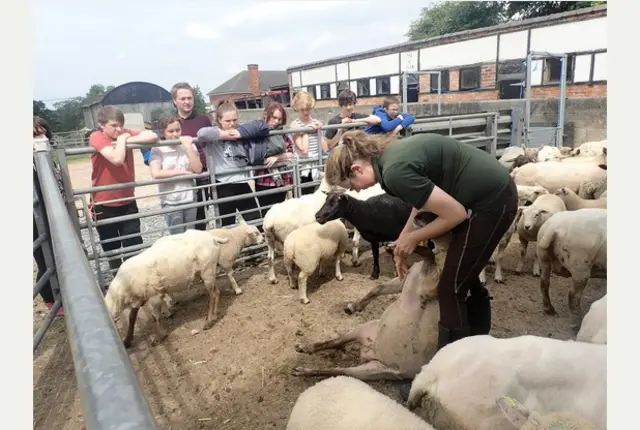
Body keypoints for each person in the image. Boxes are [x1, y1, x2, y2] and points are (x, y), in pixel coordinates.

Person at [323, 130, 518, 401]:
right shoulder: (389, 162)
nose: (356, 191)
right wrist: (405, 235)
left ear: (356, 168)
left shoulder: (394, 171)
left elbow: (455, 213)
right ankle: (478, 347)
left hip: (491, 203)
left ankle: (451, 378)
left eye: (351, 185)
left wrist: (414, 237)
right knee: (464, 274)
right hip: (484, 196)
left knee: (452, 288)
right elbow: (422, 201)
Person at [88, 106, 159, 276]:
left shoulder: (122, 133)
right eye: (113, 125)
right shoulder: (96, 136)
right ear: (101, 124)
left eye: (121, 125)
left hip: (127, 200)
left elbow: (153, 136)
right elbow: (116, 159)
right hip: (104, 202)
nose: (118, 129)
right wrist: (123, 139)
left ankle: (135, 280)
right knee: (111, 247)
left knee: (133, 244)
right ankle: (118, 280)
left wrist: (124, 137)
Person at [196, 100, 266, 227]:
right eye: (228, 121)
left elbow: (262, 126)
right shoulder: (213, 134)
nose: (232, 124)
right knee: (228, 224)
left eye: (235, 120)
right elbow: (201, 134)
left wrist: (240, 133)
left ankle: (258, 246)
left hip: (242, 182)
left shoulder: (240, 129)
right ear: (219, 120)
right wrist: (225, 135)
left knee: (256, 221)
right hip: (223, 184)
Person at [149, 113, 203, 235]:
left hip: (189, 197)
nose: (175, 134)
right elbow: (156, 173)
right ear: (163, 132)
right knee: (177, 237)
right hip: (171, 201)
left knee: (190, 234)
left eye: (178, 130)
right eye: (170, 131)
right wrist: (181, 172)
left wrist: (188, 147)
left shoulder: (189, 144)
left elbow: (198, 168)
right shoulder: (158, 149)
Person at [170, 82, 214, 230]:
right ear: (174, 100)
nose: (187, 101)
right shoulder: (171, 123)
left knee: (200, 217)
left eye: (190, 98)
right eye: (183, 99)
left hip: (202, 176)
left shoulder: (203, 119)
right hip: (182, 177)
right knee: (180, 220)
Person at [33, 116, 64, 316]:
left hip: (53, 213)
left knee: (57, 253)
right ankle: (50, 299)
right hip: (35, 218)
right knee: (43, 257)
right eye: (35, 134)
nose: (41, 137)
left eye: (43, 132)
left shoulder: (48, 157)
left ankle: (60, 292)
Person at [253, 102, 296, 217]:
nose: (276, 121)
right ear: (266, 115)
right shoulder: (257, 132)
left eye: (279, 119)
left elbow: (291, 153)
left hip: (280, 180)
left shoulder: (281, 133)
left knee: (279, 214)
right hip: (263, 179)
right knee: (266, 214)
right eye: (274, 118)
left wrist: (276, 157)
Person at [289, 91, 327, 195]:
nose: (306, 112)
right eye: (302, 110)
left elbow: (325, 148)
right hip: (303, 169)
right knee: (304, 197)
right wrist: (307, 130)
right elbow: (304, 150)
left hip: (317, 165)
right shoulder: (295, 125)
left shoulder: (316, 123)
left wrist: (320, 131)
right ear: (297, 109)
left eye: (308, 109)